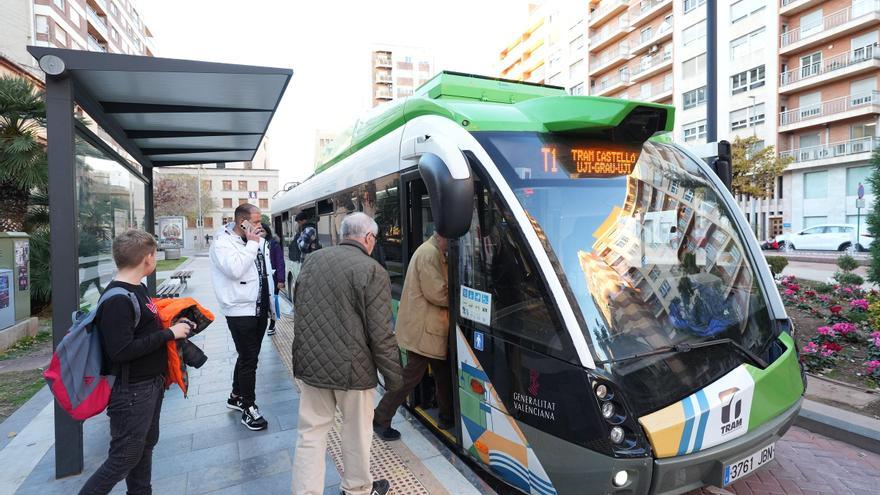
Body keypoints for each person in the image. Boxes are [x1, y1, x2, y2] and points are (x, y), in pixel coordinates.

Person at [291, 212, 403, 495]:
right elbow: (381, 332)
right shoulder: (372, 270)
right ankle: (356, 490)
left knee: (311, 434)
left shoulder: (313, 260)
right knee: (355, 436)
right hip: (354, 371)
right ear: (368, 238)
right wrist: (394, 379)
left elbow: (300, 310)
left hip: (313, 365)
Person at [79, 230, 192, 495]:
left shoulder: (136, 289)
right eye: (154, 254)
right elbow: (121, 351)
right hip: (131, 392)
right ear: (148, 258)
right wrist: (168, 334)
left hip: (149, 386)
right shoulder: (118, 299)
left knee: (144, 449)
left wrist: (175, 325)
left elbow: (142, 331)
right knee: (124, 458)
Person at [373, 232, 452, 441]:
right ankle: (381, 418)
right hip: (423, 331)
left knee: (442, 373)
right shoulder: (429, 253)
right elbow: (437, 292)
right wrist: (462, 297)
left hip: (429, 329)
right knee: (409, 378)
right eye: (450, 242)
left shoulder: (433, 251)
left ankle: (447, 416)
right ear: (443, 237)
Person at [209, 204, 274, 431]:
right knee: (249, 359)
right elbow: (235, 270)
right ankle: (249, 407)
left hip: (258, 307)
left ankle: (236, 395)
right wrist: (253, 243)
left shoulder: (257, 240)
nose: (260, 225)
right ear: (242, 222)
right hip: (239, 310)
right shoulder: (222, 242)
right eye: (256, 221)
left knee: (248, 354)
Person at [261, 222, 285, 336]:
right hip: (260, 280)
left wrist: (281, 280)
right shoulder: (252, 244)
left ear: (267, 232)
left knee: (273, 301)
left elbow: (280, 262)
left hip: (274, 279)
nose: (261, 233)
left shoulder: (274, 244)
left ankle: (272, 324)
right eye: (258, 231)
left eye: (263, 231)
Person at [290, 211, 320, 280]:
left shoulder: (309, 230)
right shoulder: (307, 229)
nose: (298, 224)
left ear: (303, 220)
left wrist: (298, 239)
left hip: (308, 261)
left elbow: (302, 247)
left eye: (299, 222)